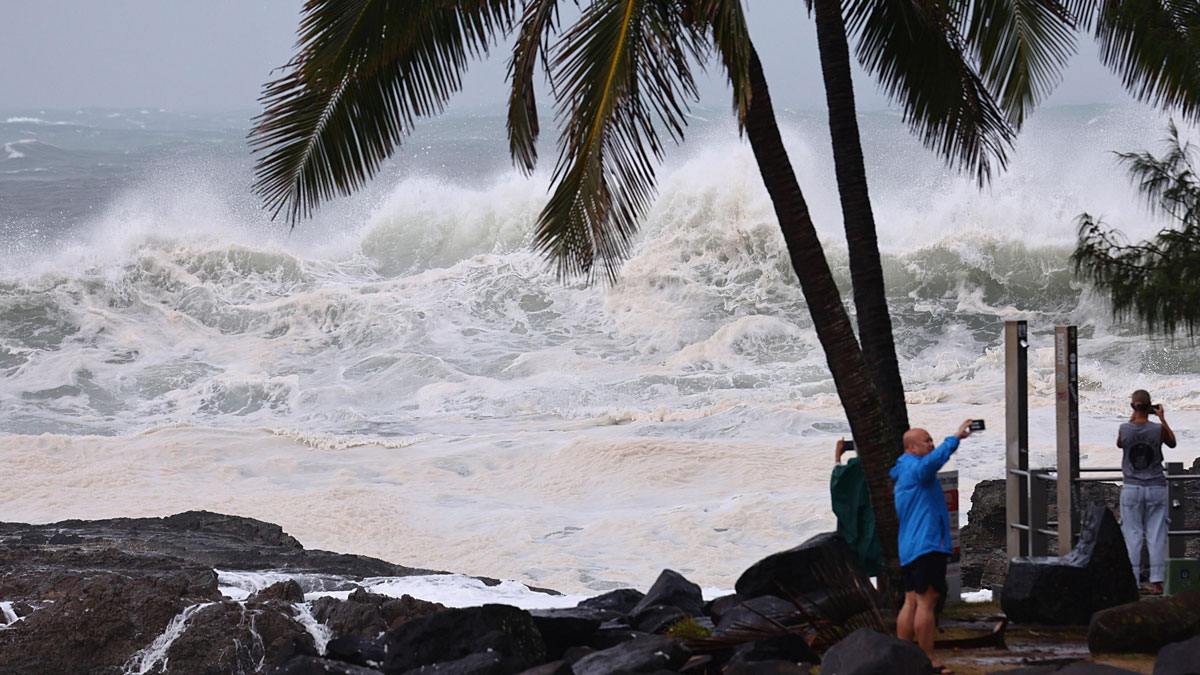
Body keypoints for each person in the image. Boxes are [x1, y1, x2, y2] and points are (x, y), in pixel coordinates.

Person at [892, 419, 974, 675]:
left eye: (931, 439)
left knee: (911, 601)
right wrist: (955, 438)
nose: (931, 443)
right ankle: (928, 661)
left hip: (908, 547)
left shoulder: (902, 470)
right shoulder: (917, 469)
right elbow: (934, 461)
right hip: (927, 544)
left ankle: (904, 658)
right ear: (911, 447)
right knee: (927, 602)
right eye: (926, 440)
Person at [1118, 389, 1176, 595]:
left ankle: (1132, 582)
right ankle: (1157, 582)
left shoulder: (1125, 428)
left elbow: (1120, 443)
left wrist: (1134, 415)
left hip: (1132, 488)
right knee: (1156, 535)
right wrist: (1162, 418)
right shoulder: (1157, 430)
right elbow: (1172, 442)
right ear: (1150, 406)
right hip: (1156, 487)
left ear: (1133, 406)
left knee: (1132, 536)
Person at [831, 439, 884, 577]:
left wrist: (838, 455)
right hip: (883, 526)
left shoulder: (856, 468)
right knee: (884, 569)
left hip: (864, 526)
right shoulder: (886, 464)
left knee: (860, 567)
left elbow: (838, 483)